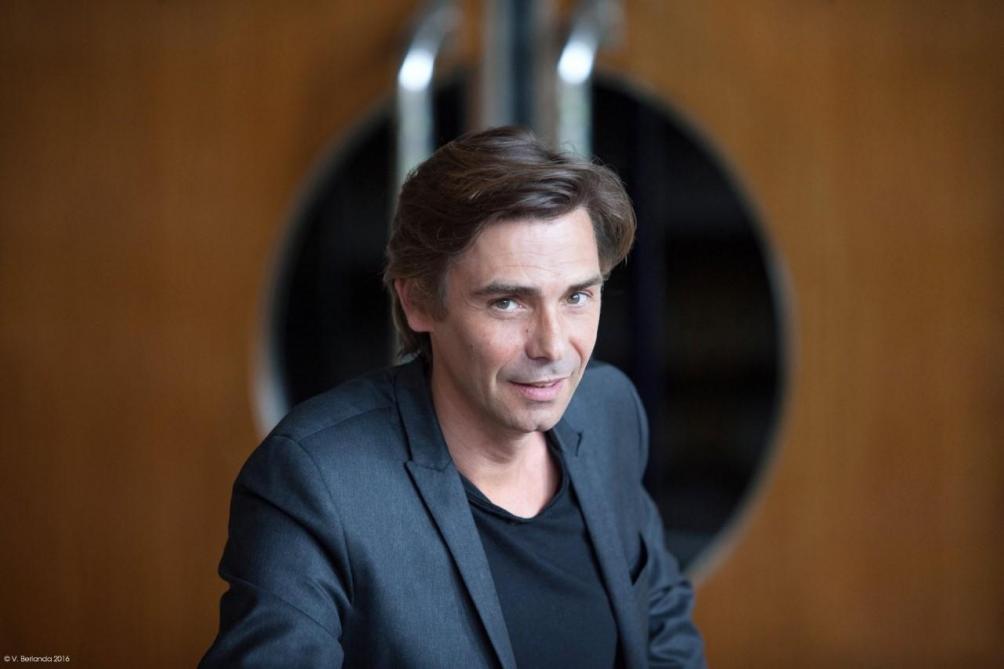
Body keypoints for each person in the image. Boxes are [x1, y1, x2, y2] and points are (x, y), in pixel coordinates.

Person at [201, 126, 705, 668]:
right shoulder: (317, 479)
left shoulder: (608, 408)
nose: (554, 346)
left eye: (577, 296)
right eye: (508, 302)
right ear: (419, 302)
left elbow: (661, 624)